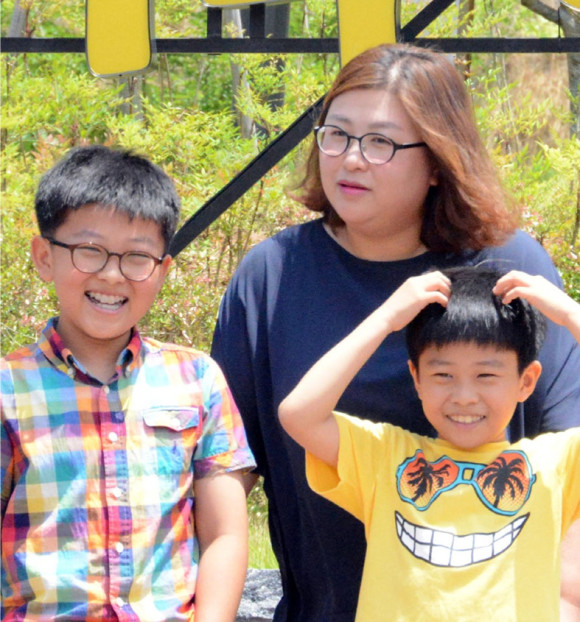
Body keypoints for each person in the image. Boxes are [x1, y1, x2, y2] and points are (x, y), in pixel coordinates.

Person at [210, 43, 580, 620]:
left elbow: (567, 444)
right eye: (336, 135)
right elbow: (226, 465)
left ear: (437, 161)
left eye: (380, 142)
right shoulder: (272, 275)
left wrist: (566, 601)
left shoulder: (509, 267)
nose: (351, 160)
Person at [1, 146, 256, 622]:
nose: (112, 274)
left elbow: (225, 533)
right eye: (89, 250)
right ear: (44, 257)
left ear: (162, 269)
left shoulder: (197, 379)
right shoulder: (9, 389)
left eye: (137, 257)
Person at [278, 266, 580, 621]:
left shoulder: (557, 463)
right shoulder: (386, 456)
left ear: (526, 381)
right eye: (443, 375)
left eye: (486, 375)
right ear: (417, 378)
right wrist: (384, 319)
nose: (464, 396)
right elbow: (299, 414)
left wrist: (569, 313)